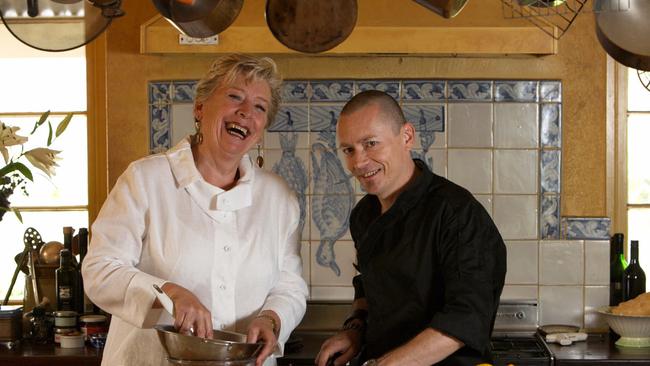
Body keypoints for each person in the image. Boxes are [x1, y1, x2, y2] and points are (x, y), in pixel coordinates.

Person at [82, 54, 308, 366]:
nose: (245, 113)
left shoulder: (278, 197)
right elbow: (100, 271)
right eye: (234, 97)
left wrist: (273, 319)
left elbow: (290, 284)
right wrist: (168, 292)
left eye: (259, 107)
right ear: (200, 107)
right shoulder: (146, 179)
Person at [315, 90, 507, 366]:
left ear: (406, 136)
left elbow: (468, 316)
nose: (358, 162)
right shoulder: (364, 214)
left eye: (371, 143)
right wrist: (354, 331)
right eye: (349, 150)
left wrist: (389, 364)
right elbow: (368, 288)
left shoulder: (456, 212)